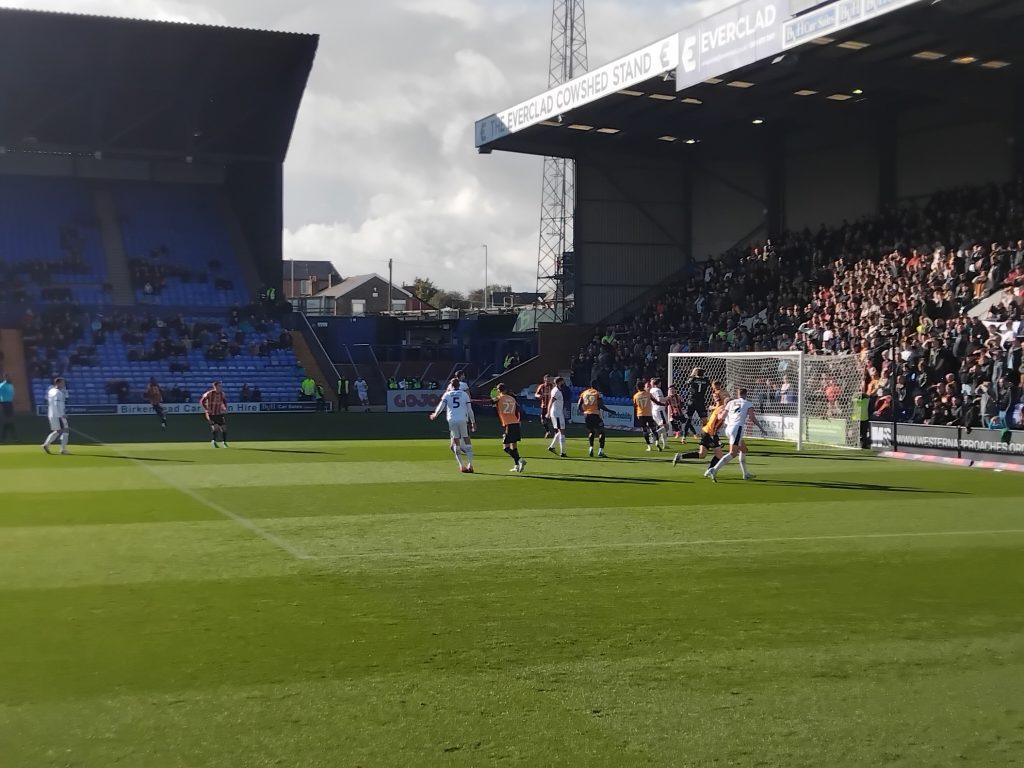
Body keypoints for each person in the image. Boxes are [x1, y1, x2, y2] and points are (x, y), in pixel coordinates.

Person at [708, 387, 765, 482]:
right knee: (733, 453)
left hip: (729, 429)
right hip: (737, 428)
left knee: (744, 449)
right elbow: (752, 417)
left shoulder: (731, 402)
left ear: (738, 394)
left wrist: (718, 414)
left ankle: (745, 474)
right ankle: (714, 469)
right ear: (746, 394)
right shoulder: (748, 403)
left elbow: (722, 416)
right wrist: (761, 428)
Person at [429, 377, 476, 473]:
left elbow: (441, 406)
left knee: (456, 441)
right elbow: (469, 409)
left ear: (451, 385)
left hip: (452, 419)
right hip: (463, 418)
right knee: (466, 439)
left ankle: (461, 465)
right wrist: (473, 422)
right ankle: (470, 464)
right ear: (459, 385)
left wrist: (435, 414)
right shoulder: (464, 394)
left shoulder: (447, 394)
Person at [672, 390, 726, 473]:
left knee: (702, 454)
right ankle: (709, 471)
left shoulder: (719, 407)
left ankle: (680, 456)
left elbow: (715, 408)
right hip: (710, 433)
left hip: (707, 431)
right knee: (719, 455)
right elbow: (719, 415)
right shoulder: (722, 408)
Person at [577, 380, 615, 458]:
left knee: (591, 431)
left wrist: (584, 411)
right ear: (597, 385)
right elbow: (600, 405)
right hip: (595, 415)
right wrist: (609, 410)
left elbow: (578, 405)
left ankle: (591, 447)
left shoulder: (584, 393)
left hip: (587, 415)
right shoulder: (597, 393)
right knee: (602, 432)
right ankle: (600, 451)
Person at [495, 383, 526, 473]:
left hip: (508, 424)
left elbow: (488, 402)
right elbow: (518, 410)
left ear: (499, 390)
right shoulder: (512, 398)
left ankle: (519, 460)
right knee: (514, 445)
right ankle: (516, 465)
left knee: (505, 447)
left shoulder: (499, 398)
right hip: (515, 422)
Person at [41, 376, 70, 455]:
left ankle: (46, 445)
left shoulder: (51, 391)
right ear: (58, 383)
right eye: (62, 382)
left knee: (58, 431)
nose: (64, 384)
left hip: (51, 414)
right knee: (66, 430)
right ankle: (63, 449)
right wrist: (62, 414)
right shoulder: (58, 392)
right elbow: (57, 404)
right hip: (58, 415)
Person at [683, 367, 711, 441]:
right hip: (701, 401)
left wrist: (692, 373)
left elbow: (686, 383)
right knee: (704, 420)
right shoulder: (706, 380)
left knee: (689, 419)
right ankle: (705, 436)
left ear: (696, 373)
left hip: (691, 401)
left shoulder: (693, 379)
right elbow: (710, 385)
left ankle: (684, 437)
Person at [200, 380, 230, 448]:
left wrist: (225, 408)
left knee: (224, 428)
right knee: (215, 427)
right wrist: (206, 408)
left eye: (220, 386)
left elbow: (224, 401)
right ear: (215, 386)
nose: (220, 387)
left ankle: (224, 442)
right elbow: (202, 401)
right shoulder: (209, 393)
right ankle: (214, 441)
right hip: (211, 414)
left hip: (219, 413)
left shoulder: (222, 394)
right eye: (219, 386)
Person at [546, 375, 568, 457]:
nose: (564, 383)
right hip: (557, 413)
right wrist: (548, 412)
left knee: (560, 431)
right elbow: (551, 402)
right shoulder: (556, 391)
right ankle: (563, 452)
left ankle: (552, 447)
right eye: (562, 382)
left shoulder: (557, 390)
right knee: (562, 432)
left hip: (558, 413)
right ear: (559, 382)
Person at [632, 380, 657, 451]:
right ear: (644, 386)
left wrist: (636, 414)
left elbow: (634, 406)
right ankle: (657, 442)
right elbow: (655, 401)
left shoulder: (635, 396)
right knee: (653, 428)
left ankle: (649, 446)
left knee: (644, 430)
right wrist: (664, 404)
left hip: (640, 414)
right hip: (649, 414)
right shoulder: (648, 394)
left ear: (637, 388)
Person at [648, 377, 669, 450]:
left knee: (662, 427)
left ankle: (665, 444)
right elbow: (659, 399)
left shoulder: (651, 390)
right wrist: (667, 398)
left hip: (654, 410)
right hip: (660, 410)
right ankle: (654, 435)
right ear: (659, 383)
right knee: (666, 427)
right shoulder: (657, 390)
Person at [0, 372, 16, 442]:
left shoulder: (11, 386)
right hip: (4, 403)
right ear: (5, 378)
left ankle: (5, 436)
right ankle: (12, 436)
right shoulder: (1, 385)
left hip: (10, 403)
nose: (9, 378)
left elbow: (12, 394)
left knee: (10, 420)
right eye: (8, 377)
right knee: (8, 420)